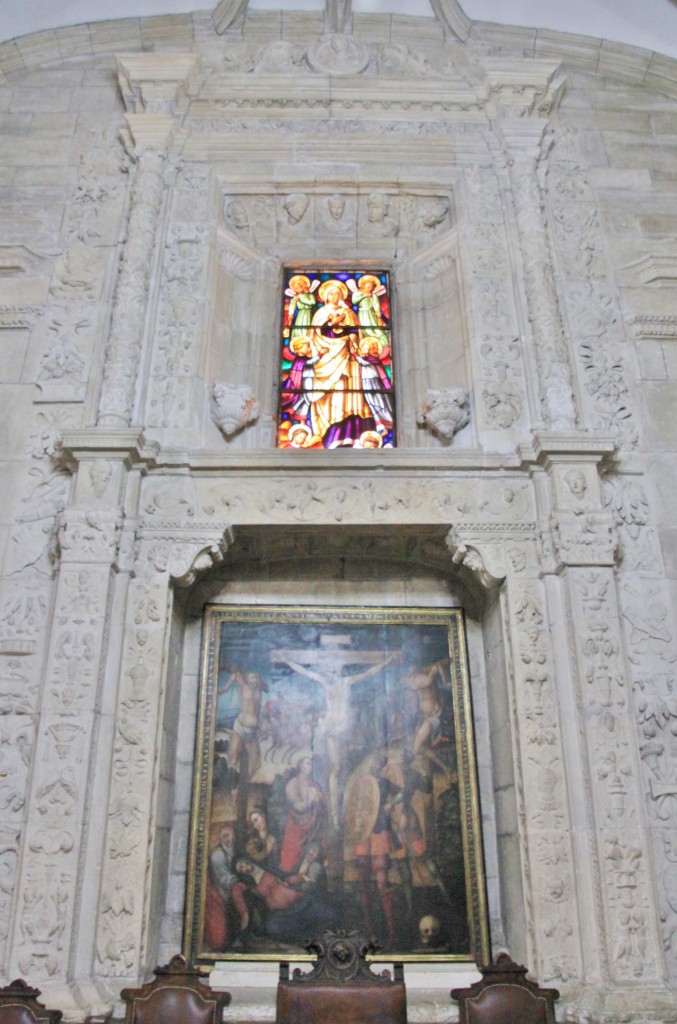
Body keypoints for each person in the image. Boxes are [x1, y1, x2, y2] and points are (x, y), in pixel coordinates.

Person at [305, 279, 375, 447]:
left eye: (337, 293)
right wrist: (330, 324)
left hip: (347, 358)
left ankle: (351, 435)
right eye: (330, 293)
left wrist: (352, 338)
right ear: (325, 297)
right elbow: (314, 336)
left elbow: (355, 332)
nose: (334, 296)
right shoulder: (320, 313)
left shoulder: (349, 312)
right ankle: (323, 432)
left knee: (346, 391)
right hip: (326, 358)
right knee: (326, 393)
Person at [233, 857, 339, 943]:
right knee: (273, 929)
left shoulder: (268, 867)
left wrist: (302, 878)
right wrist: (244, 913)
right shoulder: (249, 883)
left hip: (299, 901)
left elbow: (287, 879)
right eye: (241, 870)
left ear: (247, 860)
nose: (245, 869)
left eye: (243, 865)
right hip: (282, 914)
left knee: (331, 915)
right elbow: (236, 891)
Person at [204, 823, 248, 949]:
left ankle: (246, 936)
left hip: (234, 887)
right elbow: (224, 879)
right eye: (225, 836)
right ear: (220, 838)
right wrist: (240, 882)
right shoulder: (217, 855)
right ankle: (235, 939)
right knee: (234, 907)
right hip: (222, 891)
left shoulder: (235, 850)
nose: (229, 839)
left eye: (231, 835)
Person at [278, 755, 325, 873]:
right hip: (296, 823)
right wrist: (310, 798)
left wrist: (319, 799)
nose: (310, 766)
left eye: (311, 763)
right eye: (307, 763)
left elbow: (322, 805)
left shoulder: (313, 784)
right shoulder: (292, 783)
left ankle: (304, 875)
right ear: (300, 765)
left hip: (312, 823)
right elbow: (297, 806)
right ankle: (288, 874)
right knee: (292, 850)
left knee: (310, 851)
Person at [222, 666, 268, 779]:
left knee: (256, 764)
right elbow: (235, 674)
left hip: (252, 731)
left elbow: (267, 689)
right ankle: (229, 786)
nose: (255, 679)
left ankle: (241, 787)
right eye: (253, 677)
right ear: (246, 679)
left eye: (257, 677)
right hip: (240, 726)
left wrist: (259, 681)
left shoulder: (259, 689)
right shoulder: (243, 686)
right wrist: (224, 689)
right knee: (232, 759)